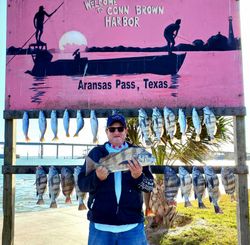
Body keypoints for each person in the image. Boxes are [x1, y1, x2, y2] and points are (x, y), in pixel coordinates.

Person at [78, 114, 154, 245]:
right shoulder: (96, 153)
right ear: (107, 132)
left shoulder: (137, 152)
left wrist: (138, 177)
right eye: (112, 129)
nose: (116, 132)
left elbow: (149, 186)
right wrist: (97, 177)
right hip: (100, 227)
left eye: (120, 129)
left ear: (126, 131)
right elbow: (82, 185)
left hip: (132, 227)